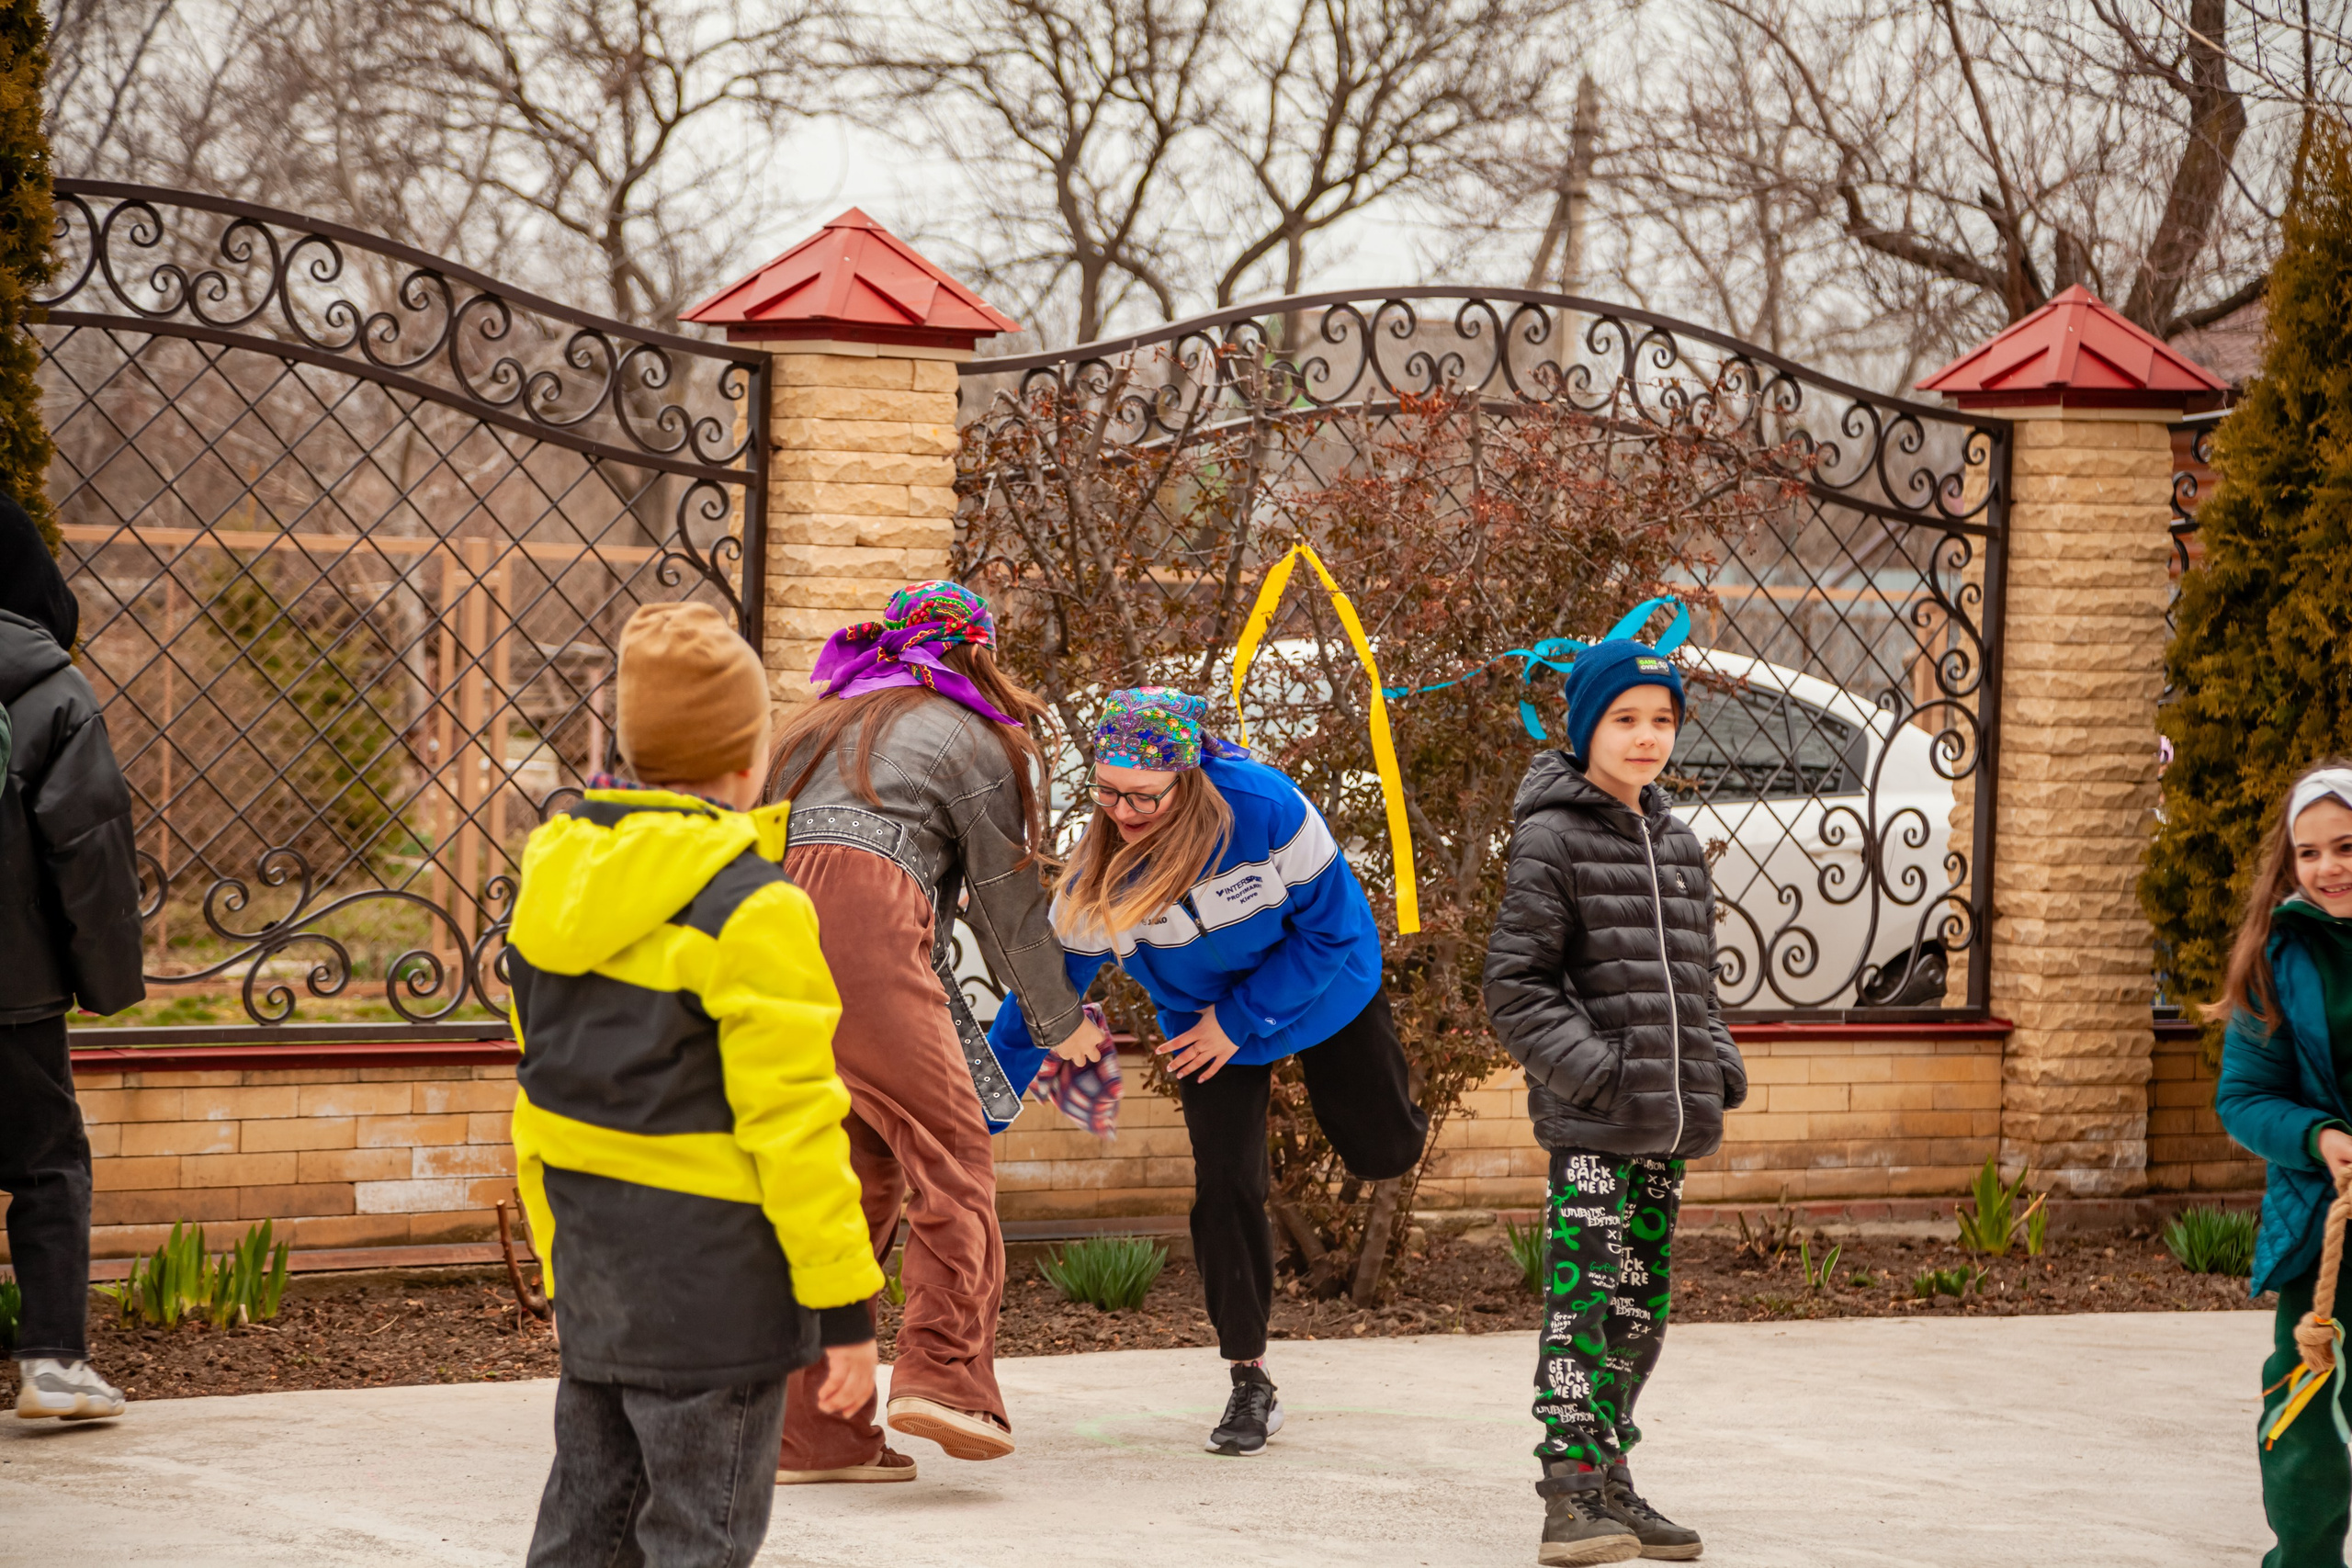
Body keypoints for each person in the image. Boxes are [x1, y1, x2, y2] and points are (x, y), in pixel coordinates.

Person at [509, 601, 882, 1568]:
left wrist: (561, 1263)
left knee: (582, 1529)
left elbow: (539, 1092)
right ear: (747, 755)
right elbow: (796, 1127)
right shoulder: (754, 908)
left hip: (598, 1264)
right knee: (698, 1542)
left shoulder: (553, 881)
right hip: (719, 1290)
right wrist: (845, 1314)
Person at [987, 686, 1428, 1458]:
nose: (1122, 811)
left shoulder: (1268, 809)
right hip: (1202, 1026)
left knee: (1384, 1151)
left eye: (1143, 796)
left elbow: (1333, 931)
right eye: (1107, 791)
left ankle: (1361, 1110)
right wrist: (978, 1103)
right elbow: (1044, 997)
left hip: (1325, 991)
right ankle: (1249, 1376)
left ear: (1186, 778)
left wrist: (1242, 1019)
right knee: (1225, 1188)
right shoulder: (1100, 877)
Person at [765, 581, 1103, 1480]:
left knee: (852, 1177)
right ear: (976, 653)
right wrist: (1059, 1021)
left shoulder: (803, 728)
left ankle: (815, 1433)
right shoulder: (976, 737)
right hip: (863, 928)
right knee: (950, 1154)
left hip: (765, 942)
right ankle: (945, 1375)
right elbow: (1006, 902)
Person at [1482, 637, 1747, 1566]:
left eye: (1662, 721)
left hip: (1665, 1125)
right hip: (1595, 1123)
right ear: (1585, 726)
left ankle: (1612, 1478)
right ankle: (1569, 1494)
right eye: (1625, 720)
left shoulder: (1676, 843)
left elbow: (1693, 984)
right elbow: (1515, 990)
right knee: (1582, 1306)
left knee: (1637, 1312)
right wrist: (1600, 1075)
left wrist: (1715, 1064)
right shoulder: (1550, 837)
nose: (1645, 739)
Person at [0, 492, 143, 1422]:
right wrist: (106, 983)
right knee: (48, 1163)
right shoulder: (53, 691)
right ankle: (51, 1365)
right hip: (15, 993)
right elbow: (88, 849)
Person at [2214, 759, 2352, 1568]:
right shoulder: (2277, 957)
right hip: (2323, 1230)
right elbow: (2244, 1097)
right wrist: (2321, 1137)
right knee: (2305, 1428)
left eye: (2346, 845)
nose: (2329, 866)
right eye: (2311, 852)